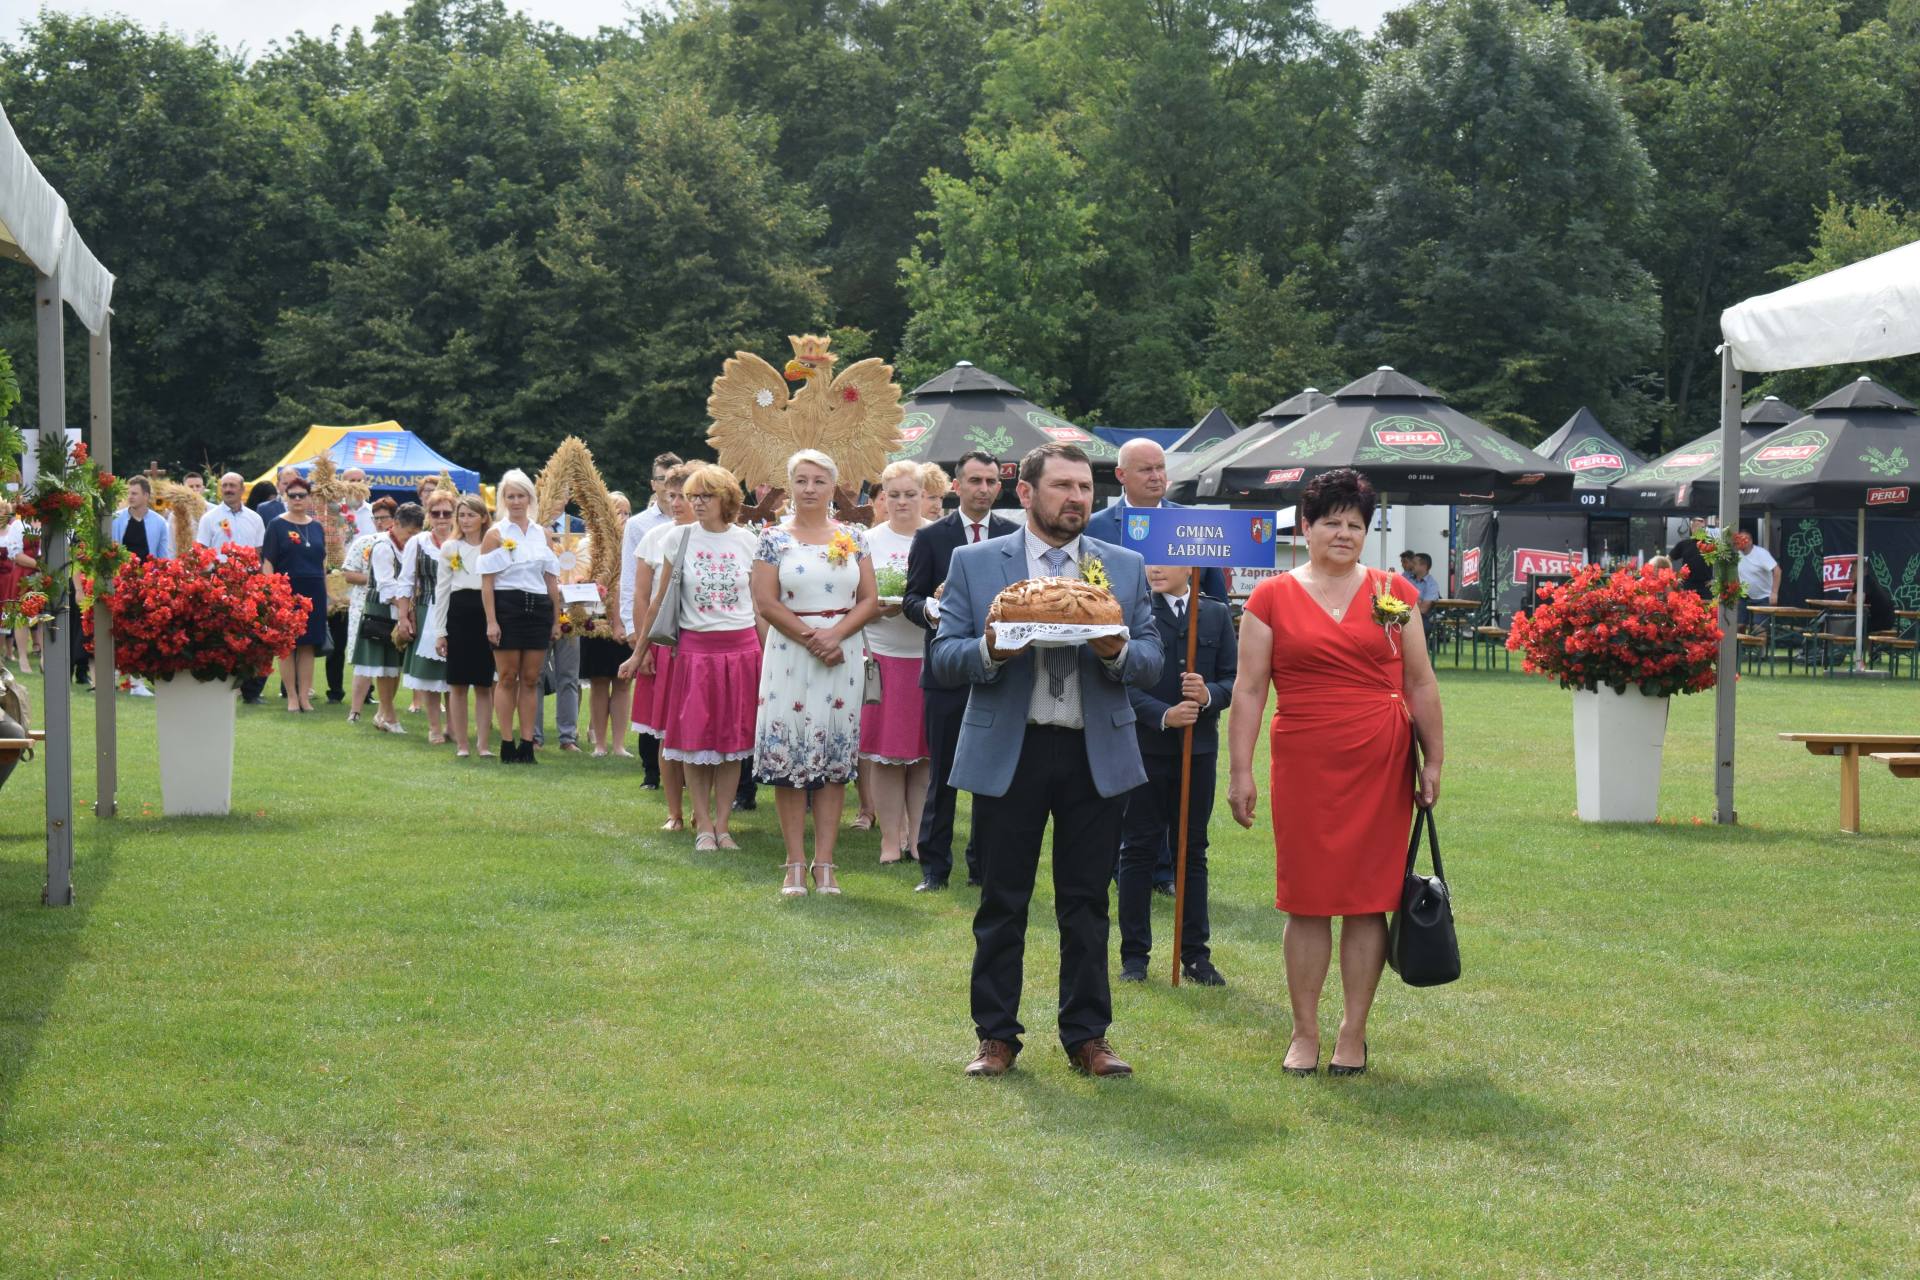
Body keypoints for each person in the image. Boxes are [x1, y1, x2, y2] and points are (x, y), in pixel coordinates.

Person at [932, 441, 1163, 1080]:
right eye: (1062, 486)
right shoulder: (976, 563)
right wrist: (993, 652)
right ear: (1026, 494)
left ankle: (1088, 1036)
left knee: (1087, 901)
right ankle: (996, 1037)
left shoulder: (1123, 564)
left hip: (1096, 751)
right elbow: (944, 658)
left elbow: (1151, 659)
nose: (1077, 499)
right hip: (1013, 748)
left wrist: (1117, 651)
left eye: (1085, 488)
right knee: (1003, 899)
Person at [1228, 468, 1445, 1079]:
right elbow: (1248, 691)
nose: (1344, 533)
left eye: (1355, 524)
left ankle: (1353, 1031)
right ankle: (1303, 1031)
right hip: (1303, 760)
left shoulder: (1395, 591)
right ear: (1306, 528)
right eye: (1332, 522)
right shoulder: (1270, 596)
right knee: (1307, 900)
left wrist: (1435, 759)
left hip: (1381, 760)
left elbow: (1421, 681)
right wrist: (1239, 770)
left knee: (1367, 901)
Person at [751, 450, 877, 892]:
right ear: (790, 486)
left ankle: (825, 864)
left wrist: (835, 635)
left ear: (833, 487)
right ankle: (793, 862)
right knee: (790, 754)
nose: (810, 489)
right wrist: (812, 638)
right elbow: (766, 602)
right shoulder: (771, 538)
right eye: (801, 480)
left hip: (841, 655)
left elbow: (868, 599)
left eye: (819, 481)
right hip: (790, 653)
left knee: (833, 756)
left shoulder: (854, 536)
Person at [901, 450, 1018, 892]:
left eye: (991, 481)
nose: (983, 489)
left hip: (997, 672)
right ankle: (934, 868)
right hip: (946, 673)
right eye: (975, 480)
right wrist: (933, 609)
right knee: (943, 774)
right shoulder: (932, 538)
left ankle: (983, 866)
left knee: (991, 775)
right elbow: (911, 599)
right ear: (956, 485)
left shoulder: (1013, 535)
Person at [1117, 563, 1236, 987]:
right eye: (1147, 561)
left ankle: (1195, 956)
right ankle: (1134, 957)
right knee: (1138, 849)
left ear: (1190, 565)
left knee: (1192, 850)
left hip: (1197, 752)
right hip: (1147, 749)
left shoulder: (1217, 614)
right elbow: (1121, 682)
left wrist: (1208, 696)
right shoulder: (1135, 613)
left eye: (1166, 560)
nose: (1154, 570)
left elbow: (1232, 679)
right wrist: (1163, 715)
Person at [644, 463, 762, 851]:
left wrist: (770, 656)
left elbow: (759, 605)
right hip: (694, 651)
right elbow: (659, 600)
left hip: (742, 650)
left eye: (705, 496)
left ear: (726, 499)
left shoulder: (748, 541)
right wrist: (638, 652)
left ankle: (723, 825)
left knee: (731, 743)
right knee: (694, 743)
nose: (696, 502)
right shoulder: (677, 539)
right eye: (692, 495)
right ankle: (702, 825)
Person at [860, 461, 933, 865]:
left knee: (923, 756)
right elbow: (855, 603)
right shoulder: (868, 541)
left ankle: (919, 838)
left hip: (927, 655)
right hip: (883, 656)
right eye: (894, 494)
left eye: (910, 494)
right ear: (883, 497)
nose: (902, 501)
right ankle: (890, 839)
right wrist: (878, 610)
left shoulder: (939, 536)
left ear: (924, 495)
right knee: (886, 755)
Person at [622, 463, 698, 827]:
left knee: (698, 727)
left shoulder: (713, 537)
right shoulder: (655, 537)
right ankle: (674, 811)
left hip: (702, 637)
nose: (677, 503)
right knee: (668, 729)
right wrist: (644, 645)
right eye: (672, 495)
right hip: (663, 638)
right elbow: (642, 595)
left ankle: (702, 807)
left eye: (685, 496)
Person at [480, 469, 563, 764]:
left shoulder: (544, 533)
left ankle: (527, 744)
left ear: (530, 498)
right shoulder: (495, 534)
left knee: (531, 679)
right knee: (506, 677)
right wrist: (491, 620)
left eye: (521, 495)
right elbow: (487, 582)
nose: (516, 501)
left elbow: (551, 580)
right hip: (507, 606)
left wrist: (556, 618)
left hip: (538, 606)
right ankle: (506, 742)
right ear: (504, 499)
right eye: (510, 496)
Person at [1085, 438, 1229, 604]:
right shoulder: (1093, 529)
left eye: (1160, 467)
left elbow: (1218, 600)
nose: (1156, 477)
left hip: (1185, 628)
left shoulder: (1193, 522)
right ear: (1121, 474)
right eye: (1146, 470)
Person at [618, 451, 684, 787]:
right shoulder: (641, 525)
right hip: (655, 628)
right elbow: (635, 587)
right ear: (655, 484)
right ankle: (651, 771)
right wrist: (634, 633)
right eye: (666, 485)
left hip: (689, 631)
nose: (674, 498)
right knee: (653, 705)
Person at [428, 493, 495, 759]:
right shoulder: (450, 548)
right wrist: (440, 631)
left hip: (484, 611)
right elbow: (442, 590)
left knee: (483, 683)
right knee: (457, 684)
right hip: (459, 613)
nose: (465, 520)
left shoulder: (493, 546)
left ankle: (483, 744)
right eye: (462, 515)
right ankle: (462, 744)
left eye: (471, 515)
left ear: (483, 518)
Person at [198, 472, 271, 703]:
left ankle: (250, 691)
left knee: (250, 636)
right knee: (222, 635)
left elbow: (259, 552)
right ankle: (221, 685)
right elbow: (202, 551)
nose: (228, 489)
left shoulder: (255, 518)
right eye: (225, 485)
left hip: (248, 580)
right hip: (219, 580)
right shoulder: (209, 518)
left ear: (242, 490)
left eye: (232, 486)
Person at [261, 477, 331, 713]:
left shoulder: (317, 526)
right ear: (286, 498)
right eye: (293, 495)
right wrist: (272, 592)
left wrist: (327, 592)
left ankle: (304, 696)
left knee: (309, 645)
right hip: (286, 591)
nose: (298, 499)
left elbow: (322, 561)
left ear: (310, 497)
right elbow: (268, 561)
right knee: (287, 646)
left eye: (302, 495)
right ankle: (291, 695)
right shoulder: (276, 525)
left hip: (315, 592)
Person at [355, 502, 422, 733]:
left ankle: (383, 713)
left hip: (400, 608)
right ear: (396, 525)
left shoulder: (406, 546)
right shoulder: (384, 546)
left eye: (416, 533)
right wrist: (408, 607)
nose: (411, 538)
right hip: (383, 610)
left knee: (394, 666)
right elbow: (387, 585)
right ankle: (389, 715)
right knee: (384, 667)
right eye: (409, 533)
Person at [400, 489, 457, 743]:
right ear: (428, 515)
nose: (442, 518)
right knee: (431, 674)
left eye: (447, 512)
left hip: (458, 611)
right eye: (436, 513)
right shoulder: (418, 542)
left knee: (455, 674)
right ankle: (434, 726)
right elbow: (405, 582)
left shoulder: (464, 542)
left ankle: (454, 727)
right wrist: (403, 617)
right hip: (427, 609)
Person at [571, 527, 634, 757]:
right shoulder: (586, 546)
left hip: (625, 623)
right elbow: (575, 577)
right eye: (617, 512)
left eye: (626, 512)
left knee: (622, 683)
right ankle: (599, 743)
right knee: (598, 683)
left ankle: (618, 744)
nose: (622, 518)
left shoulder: (630, 548)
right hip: (594, 621)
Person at [339, 499, 394, 722]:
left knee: (390, 662)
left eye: (385, 518)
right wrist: (379, 579)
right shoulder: (365, 542)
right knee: (362, 660)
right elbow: (348, 574)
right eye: (376, 518)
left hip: (392, 607)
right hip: (364, 606)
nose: (380, 523)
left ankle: (386, 710)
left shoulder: (403, 543)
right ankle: (355, 710)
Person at [1733, 531, 1779, 629]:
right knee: (1739, 626)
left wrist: (1774, 592)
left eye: (1743, 539)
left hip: (1763, 597)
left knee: (1759, 628)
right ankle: (1741, 644)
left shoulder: (1761, 553)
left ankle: (1760, 644)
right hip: (1744, 596)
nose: (1740, 542)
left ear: (1750, 541)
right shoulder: (1736, 555)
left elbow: (1777, 570)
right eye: (1738, 539)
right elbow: (1737, 575)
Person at [1670, 515, 1714, 602]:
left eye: (1702, 527)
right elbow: (1666, 560)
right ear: (1692, 528)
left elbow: (1724, 562)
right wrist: (1674, 578)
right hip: (1687, 587)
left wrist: (1716, 580)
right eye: (1697, 527)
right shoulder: (1683, 544)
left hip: (1705, 588)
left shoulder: (1711, 544)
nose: (1700, 529)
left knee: (1707, 613)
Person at [1405, 551, 1441, 616]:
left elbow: (1423, 610)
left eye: (1414, 563)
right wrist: (1417, 601)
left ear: (1424, 566)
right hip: (1401, 616)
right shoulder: (1406, 576)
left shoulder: (1432, 585)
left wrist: (1406, 601)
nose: (1411, 565)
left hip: (1420, 619)